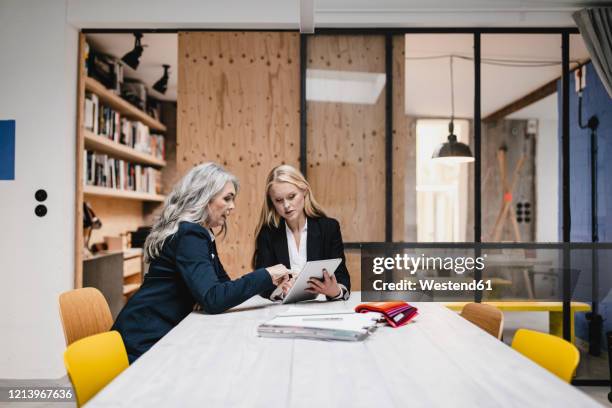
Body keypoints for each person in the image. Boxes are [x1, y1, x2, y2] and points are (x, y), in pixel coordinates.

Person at [112, 163, 290, 363]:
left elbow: (221, 287)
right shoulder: (190, 235)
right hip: (142, 341)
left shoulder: (201, 233)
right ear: (204, 198)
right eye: (227, 198)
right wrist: (267, 275)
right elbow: (214, 298)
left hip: (157, 335)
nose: (232, 206)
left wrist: (269, 282)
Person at [253, 164, 351, 301]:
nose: (286, 205)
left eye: (291, 196)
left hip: (323, 311)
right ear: (272, 203)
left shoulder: (329, 228)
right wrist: (281, 291)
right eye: (279, 200)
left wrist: (335, 291)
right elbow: (261, 283)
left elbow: (342, 278)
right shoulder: (267, 234)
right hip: (283, 312)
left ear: (304, 191)